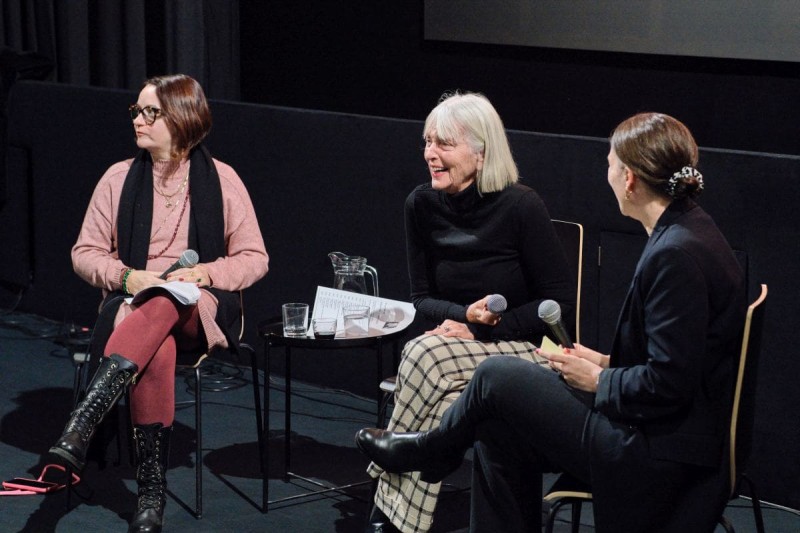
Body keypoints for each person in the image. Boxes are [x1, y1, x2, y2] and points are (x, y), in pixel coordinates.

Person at [357, 112, 747, 532]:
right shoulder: (688, 231)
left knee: (495, 374)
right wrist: (604, 361)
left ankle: (432, 450)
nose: (608, 174)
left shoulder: (677, 254)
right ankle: (431, 453)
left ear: (630, 179)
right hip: (654, 428)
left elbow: (670, 383)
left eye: (610, 165)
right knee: (495, 426)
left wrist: (599, 380)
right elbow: (678, 357)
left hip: (651, 448)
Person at [48, 74, 268, 533]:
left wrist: (205, 273)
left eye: (152, 112)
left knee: (169, 300)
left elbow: (254, 258)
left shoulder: (222, 179)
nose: (139, 120)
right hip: (135, 309)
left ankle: (84, 420)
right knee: (157, 345)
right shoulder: (117, 178)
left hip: (200, 308)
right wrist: (128, 276)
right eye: (137, 110)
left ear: (183, 120)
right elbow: (84, 253)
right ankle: (151, 494)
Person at [366, 91, 576, 533]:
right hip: (462, 345)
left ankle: (390, 506)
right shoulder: (420, 205)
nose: (430, 154)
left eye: (444, 144)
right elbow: (421, 299)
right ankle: (415, 474)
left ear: (481, 153)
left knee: (422, 353)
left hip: (528, 349)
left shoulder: (522, 206)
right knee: (441, 388)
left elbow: (556, 302)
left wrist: (486, 330)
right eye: (427, 142)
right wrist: (465, 315)